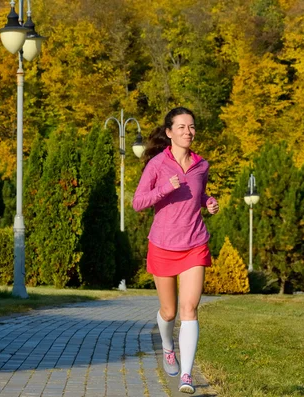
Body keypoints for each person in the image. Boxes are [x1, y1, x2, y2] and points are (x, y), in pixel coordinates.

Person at [133, 107, 219, 394]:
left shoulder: (202, 165)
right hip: (163, 245)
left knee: (189, 309)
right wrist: (164, 191)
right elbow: (138, 202)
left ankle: (186, 374)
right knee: (169, 312)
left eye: (191, 127)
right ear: (169, 132)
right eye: (181, 127)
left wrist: (209, 203)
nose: (188, 132)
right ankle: (167, 347)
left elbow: (199, 194)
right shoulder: (157, 165)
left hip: (194, 243)